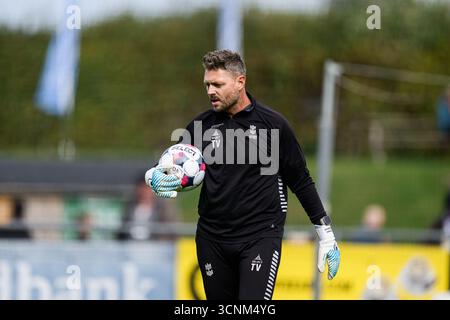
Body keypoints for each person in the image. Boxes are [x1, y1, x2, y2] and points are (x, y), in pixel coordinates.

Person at [145, 50, 340, 300]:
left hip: (259, 237)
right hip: (212, 239)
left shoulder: (274, 125)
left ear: (240, 82)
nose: (210, 91)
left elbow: (301, 181)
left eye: (218, 84)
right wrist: (153, 176)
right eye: (207, 84)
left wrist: (326, 236)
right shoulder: (200, 125)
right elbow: (171, 165)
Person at [117, 176, 179, 241]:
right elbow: (122, 229)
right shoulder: (129, 206)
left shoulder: (163, 209)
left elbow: (172, 230)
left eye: (148, 188)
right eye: (142, 188)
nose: (145, 191)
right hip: (130, 245)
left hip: (155, 246)